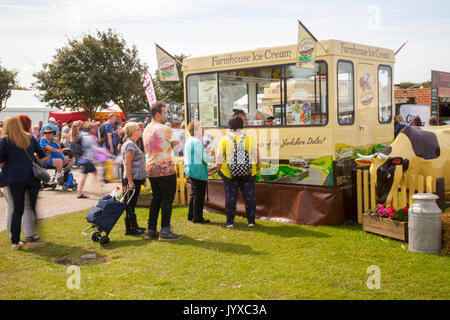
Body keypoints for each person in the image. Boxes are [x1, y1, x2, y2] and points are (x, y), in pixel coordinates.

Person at [0, 116, 46, 250]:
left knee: (17, 210)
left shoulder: (5, 140)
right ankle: (30, 234)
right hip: (31, 176)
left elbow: (1, 159)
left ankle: (15, 241)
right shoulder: (30, 138)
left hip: (14, 178)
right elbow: (42, 155)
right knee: (31, 207)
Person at [143, 101, 183, 241]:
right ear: (158, 114)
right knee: (167, 199)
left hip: (150, 167)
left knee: (156, 198)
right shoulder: (165, 129)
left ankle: (151, 229)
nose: (166, 116)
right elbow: (178, 148)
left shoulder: (146, 129)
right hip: (165, 168)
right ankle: (165, 230)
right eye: (165, 113)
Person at [216, 116, 259, 228]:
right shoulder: (250, 138)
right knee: (249, 196)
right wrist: (256, 167)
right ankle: (251, 221)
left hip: (229, 173)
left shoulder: (224, 139)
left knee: (231, 197)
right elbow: (256, 155)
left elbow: (219, 157)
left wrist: (218, 169)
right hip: (248, 173)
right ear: (241, 126)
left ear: (230, 127)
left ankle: (230, 222)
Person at [184, 121, 214, 223]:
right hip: (198, 172)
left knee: (194, 194)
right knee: (199, 196)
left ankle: (191, 215)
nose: (203, 130)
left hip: (192, 171)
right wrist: (213, 158)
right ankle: (198, 218)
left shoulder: (189, 140)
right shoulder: (196, 142)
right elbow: (205, 158)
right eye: (201, 128)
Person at [121, 122, 147, 235]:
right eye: (138, 129)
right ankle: (131, 228)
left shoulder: (133, 144)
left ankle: (132, 227)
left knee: (131, 203)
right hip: (133, 178)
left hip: (136, 178)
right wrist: (130, 181)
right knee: (130, 203)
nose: (140, 130)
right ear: (132, 132)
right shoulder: (129, 145)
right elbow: (127, 164)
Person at [76, 122, 110, 199]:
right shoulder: (88, 138)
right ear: (89, 129)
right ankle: (82, 193)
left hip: (85, 159)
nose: (95, 130)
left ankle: (96, 190)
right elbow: (94, 149)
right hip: (87, 159)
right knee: (85, 176)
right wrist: (106, 153)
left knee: (94, 173)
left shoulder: (83, 135)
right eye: (93, 128)